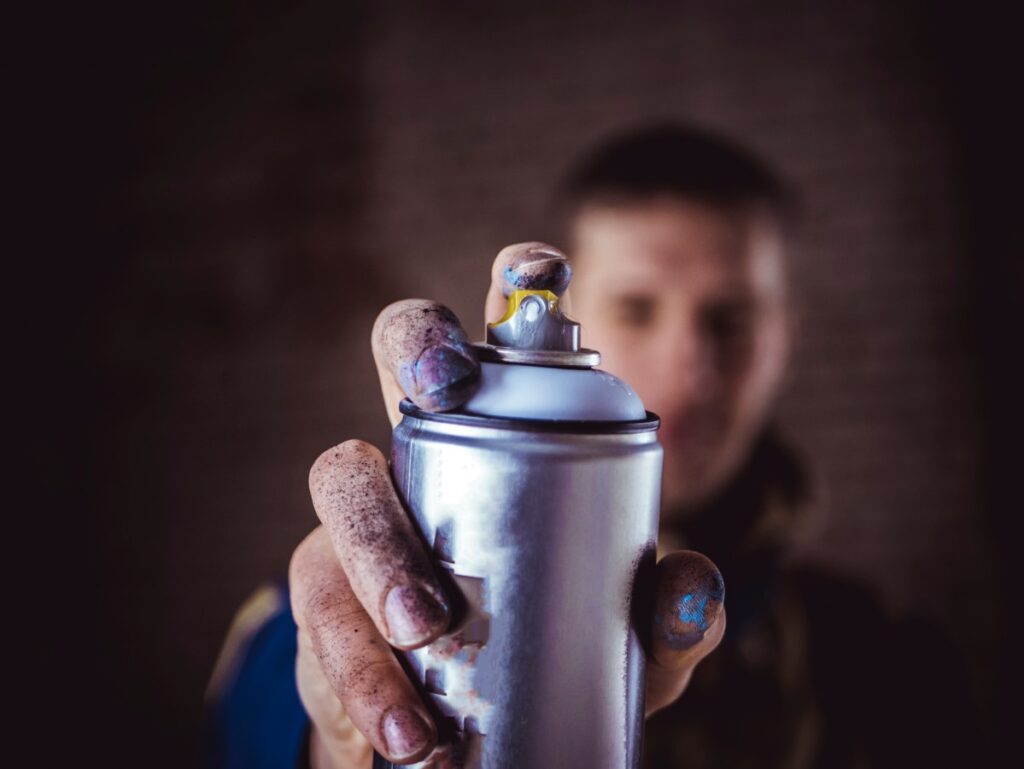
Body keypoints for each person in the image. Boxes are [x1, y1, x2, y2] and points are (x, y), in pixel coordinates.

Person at [202, 124, 978, 768]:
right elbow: (254, 704)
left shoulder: (883, 660)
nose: (690, 365)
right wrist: (334, 730)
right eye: (637, 307)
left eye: (730, 318)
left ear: (787, 338)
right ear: (569, 316)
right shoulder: (348, 607)